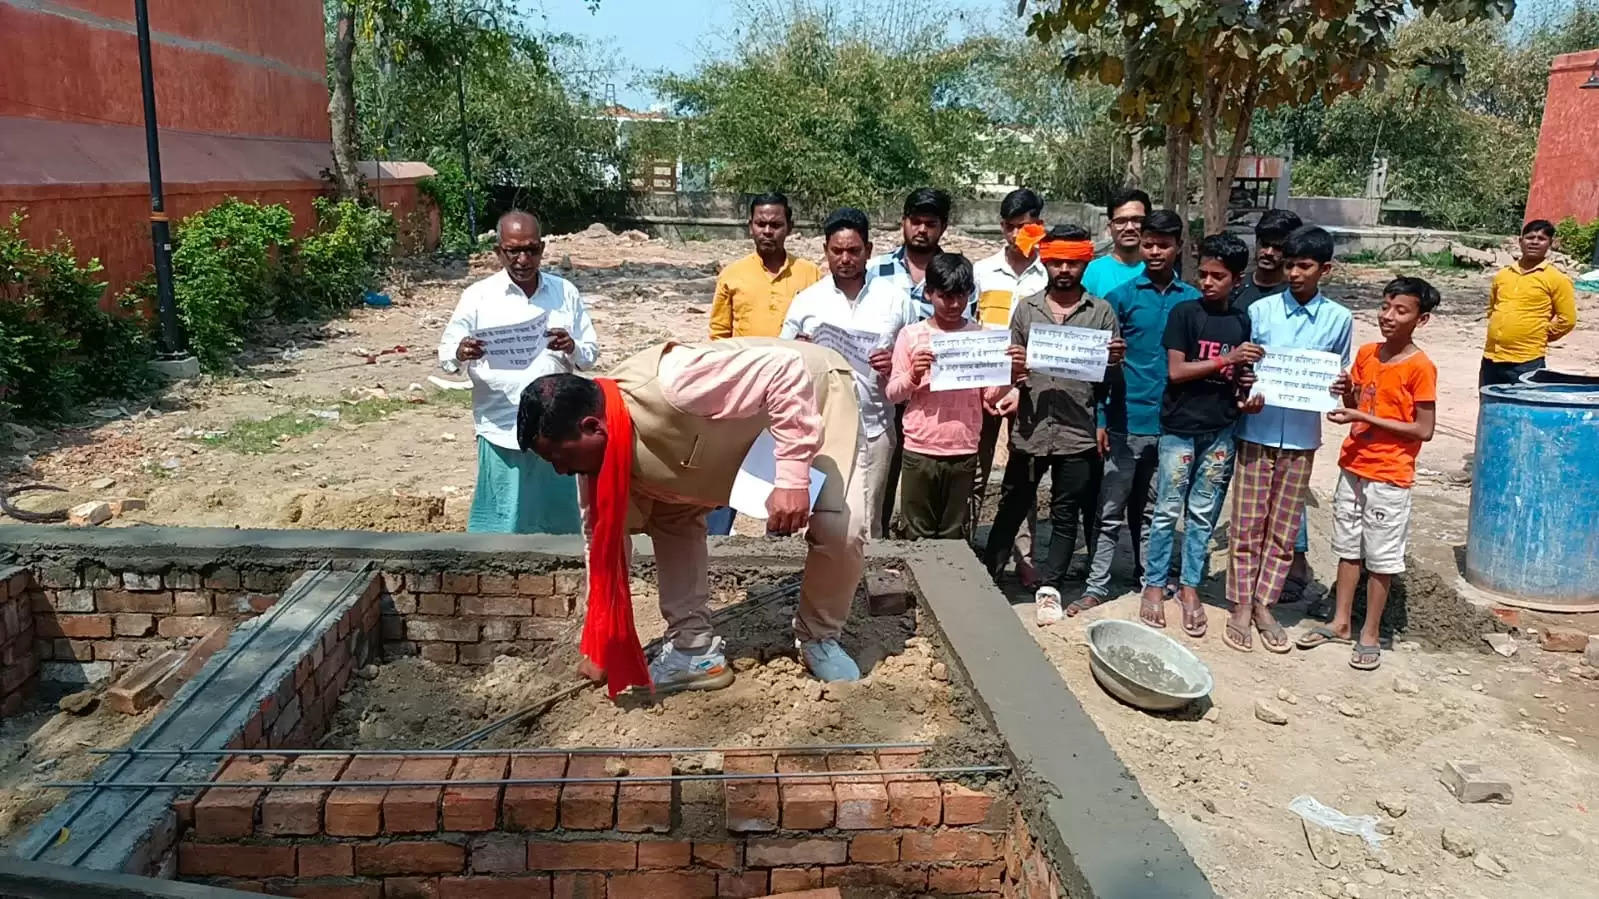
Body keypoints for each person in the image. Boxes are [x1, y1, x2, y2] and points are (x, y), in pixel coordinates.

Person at [518, 338, 868, 691]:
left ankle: (820, 638)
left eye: (559, 458)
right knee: (671, 515)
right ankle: (693, 648)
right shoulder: (595, 469)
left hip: (812, 404)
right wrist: (602, 640)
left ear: (593, 427)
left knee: (841, 528)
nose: (561, 471)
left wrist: (792, 477)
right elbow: (602, 543)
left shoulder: (675, 381)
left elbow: (784, 369)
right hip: (723, 446)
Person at [985, 225, 1126, 625]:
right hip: (1030, 428)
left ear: (1084, 263)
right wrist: (1013, 374)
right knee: (1012, 505)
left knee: (1066, 514)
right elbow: (1012, 368)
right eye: (1056, 261)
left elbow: (1108, 380)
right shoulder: (1027, 309)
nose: (1064, 269)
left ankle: (1051, 587)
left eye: (1073, 262)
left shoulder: (1100, 312)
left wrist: (1114, 361)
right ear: (1044, 260)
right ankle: (991, 576)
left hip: (1077, 431)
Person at [1297, 277, 1439, 671]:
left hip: (1390, 474)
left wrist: (1361, 414)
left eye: (1401, 310)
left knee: (1381, 556)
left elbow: (1423, 429)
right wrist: (1346, 393)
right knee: (1348, 547)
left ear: (1421, 319)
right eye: (1385, 306)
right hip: (1354, 465)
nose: (1388, 317)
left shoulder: (1420, 367)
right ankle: (1341, 621)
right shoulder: (1366, 354)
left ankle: (1370, 632)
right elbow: (1359, 400)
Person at [1227, 225, 1352, 653]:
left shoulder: (1340, 319)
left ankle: (1266, 604)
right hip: (1256, 430)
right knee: (1246, 524)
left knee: (1282, 529)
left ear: (1325, 269)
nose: (1295, 274)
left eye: (1305, 266)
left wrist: (1339, 387)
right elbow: (1243, 372)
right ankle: (1241, 604)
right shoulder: (1260, 312)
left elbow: (1342, 376)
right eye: (1290, 265)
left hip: (1301, 437)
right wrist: (1245, 391)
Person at [439, 210, 596, 534]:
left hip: (556, 428)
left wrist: (571, 346)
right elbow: (447, 352)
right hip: (501, 426)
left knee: (559, 523)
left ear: (542, 248)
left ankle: (561, 577)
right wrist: (461, 352)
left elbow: (590, 354)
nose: (523, 259)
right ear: (499, 251)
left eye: (531, 249)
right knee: (502, 522)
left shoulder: (564, 292)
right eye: (514, 251)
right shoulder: (478, 296)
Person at [1077, 210, 1200, 614]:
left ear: (1178, 247)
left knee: (1155, 509)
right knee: (1109, 510)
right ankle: (1096, 585)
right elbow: (1098, 367)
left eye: (1164, 245)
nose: (1155, 251)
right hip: (1124, 420)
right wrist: (1100, 419)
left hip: (1172, 425)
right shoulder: (1122, 298)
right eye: (1149, 244)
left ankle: (1152, 577)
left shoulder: (1192, 301)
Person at [1139, 234, 1260, 635]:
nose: (1208, 282)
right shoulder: (1184, 314)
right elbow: (1176, 371)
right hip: (1179, 428)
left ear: (1236, 280)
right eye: (1204, 274)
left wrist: (1246, 387)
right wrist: (1227, 359)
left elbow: (1236, 378)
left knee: (1203, 513)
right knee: (1167, 510)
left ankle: (1189, 587)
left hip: (1220, 428)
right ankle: (1153, 586)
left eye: (1218, 276)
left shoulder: (1241, 320)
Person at [781, 208, 914, 537]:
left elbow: (911, 355)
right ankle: (816, 586)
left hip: (875, 427)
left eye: (853, 251)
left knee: (868, 523)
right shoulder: (806, 302)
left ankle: (864, 586)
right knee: (818, 520)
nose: (845, 258)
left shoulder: (895, 299)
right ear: (825, 250)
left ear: (868, 251)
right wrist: (799, 349)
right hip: (819, 429)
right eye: (837, 251)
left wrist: (893, 365)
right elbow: (781, 360)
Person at [705, 192, 822, 536]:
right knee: (729, 466)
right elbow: (718, 336)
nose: (767, 231)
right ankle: (717, 541)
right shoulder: (732, 275)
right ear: (750, 226)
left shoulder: (810, 275)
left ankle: (778, 541)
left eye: (775, 224)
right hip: (741, 391)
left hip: (791, 393)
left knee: (787, 465)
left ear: (789, 227)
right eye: (761, 224)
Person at [868, 187, 972, 536]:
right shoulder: (875, 269)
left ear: (943, 226)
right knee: (881, 474)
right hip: (883, 387)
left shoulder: (958, 274)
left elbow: (971, 338)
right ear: (904, 222)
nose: (922, 230)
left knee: (938, 492)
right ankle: (880, 543)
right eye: (916, 221)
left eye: (931, 223)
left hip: (944, 405)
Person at [886, 253, 996, 539]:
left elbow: (991, 398)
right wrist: (913, 375)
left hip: (964, 448)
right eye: (945, 296)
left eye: (961, 296)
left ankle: (951, 584)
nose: (954, 304)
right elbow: (893, 393)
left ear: (970, 294)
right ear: (928, 293)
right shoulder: (911, 336)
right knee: (916, 531)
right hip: (920, 448)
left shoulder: (982, 338)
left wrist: (1011, 373)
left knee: (954, 532)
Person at [1235, 208, 1313, 603]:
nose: (1269, 253)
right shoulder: (1239, 292)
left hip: (1285, 418)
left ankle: (1294, 563)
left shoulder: (1302, 300)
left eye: (1279, 248)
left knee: (1287, 500)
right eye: (1263, 243)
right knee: (1241, 498)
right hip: (1236, 408)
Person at [974, 188, 1048, 582]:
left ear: (1040, 227)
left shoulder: (1049, 273)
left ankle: (1024, 554)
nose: (1022, 233)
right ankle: (965, 544)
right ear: (1003, 228)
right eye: (1015, 226)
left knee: (1024, 473)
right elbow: (969, 325)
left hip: (1030, 387)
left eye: (1030, 226)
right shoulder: (982, 272)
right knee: (974, 469)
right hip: (982, 387)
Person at [1480, 219, 1577, 387]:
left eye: (1541, 238)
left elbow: (1567, 320)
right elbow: (1492, 309)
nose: (1534, 242)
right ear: (1520, 241)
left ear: (1550, 244)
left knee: (1523, 410)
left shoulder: (1557, 279)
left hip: (1526, 361)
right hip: (1491, 358)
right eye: (1530, 237)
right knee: (1490, 408)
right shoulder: (1503, 275)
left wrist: (1539, 334)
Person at [1081, 188, 1152, 299]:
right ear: (1110, 227)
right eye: (1121, 221)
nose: (1129, 228)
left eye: (1137, 220)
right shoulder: (1094, 271)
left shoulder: (1159, 269)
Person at [1232, 209, 1303, 309]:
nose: (1269, 253)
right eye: (1264, 244)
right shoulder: (1234, 287)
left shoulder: (1296, 296)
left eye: (1277, 247)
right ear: (1256, 242)